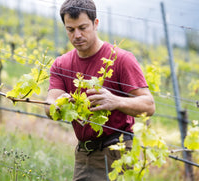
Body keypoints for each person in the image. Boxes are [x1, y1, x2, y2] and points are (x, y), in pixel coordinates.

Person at [45, 0, 155, 180]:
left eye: (83, 27)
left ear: (96, 24)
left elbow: (149, 105)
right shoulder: (61, 64)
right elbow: (49, 104)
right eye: (70, 30)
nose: (77, 35)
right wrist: (58, 104)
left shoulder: (121, 59)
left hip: (116, 151)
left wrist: (116, 101)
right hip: (83, 152)